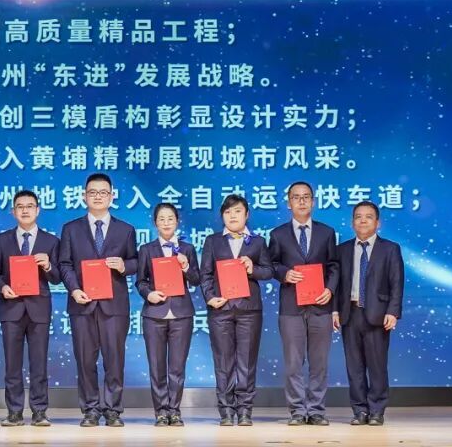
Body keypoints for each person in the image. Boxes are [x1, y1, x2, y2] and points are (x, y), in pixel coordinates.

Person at [57, 173, 137, 427]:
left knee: (115, 359)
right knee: (85, 359)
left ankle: (113, 410)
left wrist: (124, 265)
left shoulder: (126, 229)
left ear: (112, 196)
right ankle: (90, 409)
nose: (98, 196)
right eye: (93, 192)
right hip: (82, 303)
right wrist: (74, 289)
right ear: (84, 196)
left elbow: (136, 262)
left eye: (103, 192)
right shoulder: (71, 229)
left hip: (114, 305)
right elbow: (64, 263)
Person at [0, 190, 61, 427]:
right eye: (20, 206)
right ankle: (14, 412)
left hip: (39, 309)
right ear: (13, 211)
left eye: (30, 206)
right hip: (11, 308)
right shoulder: (2, 240)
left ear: (38, 210)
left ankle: (39, 411)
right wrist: (2, 287)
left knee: (39, 363)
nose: (25, 210)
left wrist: (48, 265)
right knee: (12, 364)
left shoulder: (51, 241)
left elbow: (57, 278)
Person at [267, 181, 339, 426]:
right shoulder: (277, 234)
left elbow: (334, 266)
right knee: (293, 363)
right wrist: (285, 274)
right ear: (288, 203)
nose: (301, 201)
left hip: (320, 306)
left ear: (313, 201)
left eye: (306, 196)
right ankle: (297, 410)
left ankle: (316, 410)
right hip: (291, 308)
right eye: (296, 197)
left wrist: (330, 289)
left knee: (319, 362)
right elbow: (271, 265)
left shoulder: (326, 232)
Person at [199, 194, 273, 426]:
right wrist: (210, 297)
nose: (232, 216)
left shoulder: (257, 242)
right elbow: (205, 274)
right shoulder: (213, 241)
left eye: (237, 211)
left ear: (246, 214)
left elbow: (268, 271)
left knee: (247, 361)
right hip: (220, 309)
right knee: (223, 361)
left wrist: (253, 269)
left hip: (249, 309)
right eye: (228, 212)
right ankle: (226, 410)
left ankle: (245, 410)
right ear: (222, 216)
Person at [333, 200, 404, 426]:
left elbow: (396, 283)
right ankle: (359, 410)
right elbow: (336, 284)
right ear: (352, 222)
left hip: (378, 315)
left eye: (368, 216)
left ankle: (377, 410)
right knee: (354, 367)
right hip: (350, 313)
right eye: (358, 217)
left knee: (377, 365)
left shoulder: (390, 249)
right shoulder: (342, 250)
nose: (363, 220)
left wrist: (393, 311)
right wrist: (334, 310)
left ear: (378, 222)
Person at [135, 203, 200, 427]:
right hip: (154, 314)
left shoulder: (187, 249)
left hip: (182, 314)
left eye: (170, 218)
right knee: (156, 366)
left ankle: (175, 410)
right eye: (161, 219)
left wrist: (186, 267)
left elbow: (196, 279)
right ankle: (161, 412)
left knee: (177, 366)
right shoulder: (146, 249)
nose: (166, 223)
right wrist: (149, 294)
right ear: (155, 223)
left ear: (177, 221)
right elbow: (140, 281)